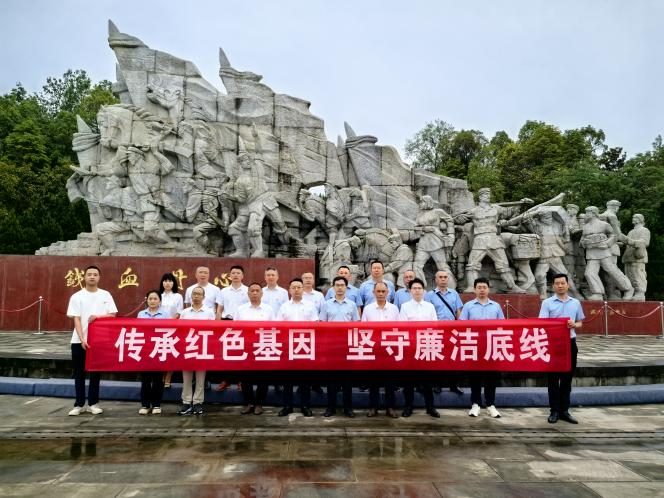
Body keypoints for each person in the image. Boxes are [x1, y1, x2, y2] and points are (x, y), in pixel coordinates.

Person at [67, 265, 118, 416]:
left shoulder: (106, 295)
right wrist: (82, 338)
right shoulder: (77, 296)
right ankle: (79, 404)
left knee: (95, 373)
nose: (92, 277)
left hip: (99, 341)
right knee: (79, 373)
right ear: (84, 277)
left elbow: (113, 314)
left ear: (99, 277)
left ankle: (93, 403)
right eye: (89, 274)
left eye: (95, 274)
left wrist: (98, 317)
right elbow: (76, 319)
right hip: (79, 341)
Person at [539, 273, 584, 424]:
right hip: (553, 344)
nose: (560, 286)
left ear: (567, 285)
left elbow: (580, 322)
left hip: (570, 343)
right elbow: (543, 323)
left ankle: (564, 410)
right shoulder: (547, 303)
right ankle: (554, 410)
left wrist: (574, 324)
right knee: (553, 379)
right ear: (553, 286)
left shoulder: (575, 303)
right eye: (557, 283)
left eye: (562, 283)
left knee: (567, 379)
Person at [460, 277, 504, 418]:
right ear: (475, 289)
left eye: (484, 287)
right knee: (475, 377)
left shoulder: (496, 306)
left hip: (492, 346)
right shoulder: (468, 306)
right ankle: (475, 404)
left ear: (488, 289)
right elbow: (462, 325)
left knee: (492, 377)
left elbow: (502, 325)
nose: (482, 290)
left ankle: (490, 405)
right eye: (479, 287)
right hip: (474, 346)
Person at [275, 278, 318, 417]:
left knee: (305, 379)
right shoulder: (284, 306)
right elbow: (278, 326)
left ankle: (305, 406)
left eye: (299, 287)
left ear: (303, 289)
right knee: (287, 379)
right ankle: (287, 406)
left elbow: (315, 324)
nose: (296, 290)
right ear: (289, 290)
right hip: (288, 346)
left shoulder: (310, 306)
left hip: (305, 346)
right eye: (293, 287)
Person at [398, 278, 440, 419]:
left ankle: (430, 407)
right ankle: (408, 406)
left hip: (426, 347)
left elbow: (434, 326)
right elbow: (403, 327)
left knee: (427, 380)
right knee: (409, 381)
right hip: (410, 348)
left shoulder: (430, 307)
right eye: (414, 288)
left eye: (419, 288)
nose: (417, 291)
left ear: (423, 291)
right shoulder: (405, 307)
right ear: (410, 291)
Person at [319, 276, 360, 418]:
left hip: (347, 346)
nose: (340, 288)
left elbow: (356, 325)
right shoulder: (326, 304)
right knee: (331, 380)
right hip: (331, 347)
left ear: (346, 287)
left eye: (342, 285)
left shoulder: (352, 305)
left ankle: (348, 408)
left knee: (347, 380)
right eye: (337, 285)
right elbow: (322, 325)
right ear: (333, 287)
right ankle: (331, 407)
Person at [361, 281, 400, 418]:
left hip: (390, 349)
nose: (381, 294)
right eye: (378, 291)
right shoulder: (368, 309)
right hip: (374, 349)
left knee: (390, 381)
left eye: (383, 291)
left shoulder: (394, 309)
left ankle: (390, 407)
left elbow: (399, 328)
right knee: (373, 381)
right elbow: (363, 329)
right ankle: (373, 407)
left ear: (388, 293)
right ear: (373, 293)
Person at [235, 282, 274, 415]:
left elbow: (274, 328)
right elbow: (235, 328)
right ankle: (249, 403)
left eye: (257, 291)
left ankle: (259, 403)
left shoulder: (268, 309)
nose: (255, 293)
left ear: (262, 293)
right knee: (245, 377)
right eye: (252, 291)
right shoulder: (241, 309)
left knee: (263, 377)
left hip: (263, 346)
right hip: (246, 347)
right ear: (248, 293)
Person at [425, 270, 464, 395]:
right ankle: (438, 385)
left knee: (453, 357)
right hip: (436, 331)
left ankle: (454, 385)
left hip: (452, 330)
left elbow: (458, 311)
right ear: (436, 280)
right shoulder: (430, 295)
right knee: (437, 358)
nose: (443, 279)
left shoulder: (454, 294)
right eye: (440, 277)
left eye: (445, 277)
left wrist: (460, 327)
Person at [177, 286, 215, 415]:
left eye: (199, 294)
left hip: (202, 348)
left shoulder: (209, 312)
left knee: (200, 378)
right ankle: (186, 402)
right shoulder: (185, 312)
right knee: (186, 377)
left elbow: (213, 330)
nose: (196, 296)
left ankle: (198, 402)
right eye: (194, 294)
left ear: (203, 297)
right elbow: (180, 330)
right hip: (187, 348)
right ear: (191, 296)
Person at [214, 265, 249, 392]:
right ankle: (226, 380)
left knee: (241, 352)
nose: (235, 275)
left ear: (242, 275)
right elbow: (219, 309)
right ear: (230, 275)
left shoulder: (247, 290)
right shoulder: (223, 291)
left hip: (242, 323)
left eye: (238, 273)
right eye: (233, 273)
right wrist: (218, 325)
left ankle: (240, 381)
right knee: (227, 353)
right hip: (226, 322)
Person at [137, 290, 167, 415]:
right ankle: (145, 405)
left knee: (158, 379)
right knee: (145, 379)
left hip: (159, 349)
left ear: (159, 301)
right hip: (145, 350)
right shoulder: (141, 314)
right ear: (147, 300)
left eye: (155, 299)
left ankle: (156, 405)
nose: (153, 301)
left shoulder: (165, 314)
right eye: (150, 299)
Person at [159, 272, 184, 389]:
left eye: (170, 281)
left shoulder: (178, 296)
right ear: (162, 283)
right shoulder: (158, 295)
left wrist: (168, 322)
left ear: (173, 283)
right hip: (159, 329)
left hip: (173, 328)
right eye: (165, 281)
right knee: (160, 352)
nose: (167, 283)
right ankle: (161, 377)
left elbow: (179, 312)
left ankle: (168, 378)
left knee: (170, 353)